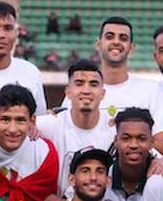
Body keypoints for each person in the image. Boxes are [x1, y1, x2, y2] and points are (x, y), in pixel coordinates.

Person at [61, 17, 163, 151]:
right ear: (98, 44)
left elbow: (162, 142)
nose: (116, 42)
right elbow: (65, 133)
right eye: (110, 37)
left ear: (131, 48)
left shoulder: (152, 90)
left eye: (123, 38)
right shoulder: (80, 92)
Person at [37, 59, 115, 192]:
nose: (86, 90)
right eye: (79, 84)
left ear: (102, 94)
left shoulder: (115, 129)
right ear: (68, 92)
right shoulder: (51, 124)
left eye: (93, 84)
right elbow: (10, 127)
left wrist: (158, 161)